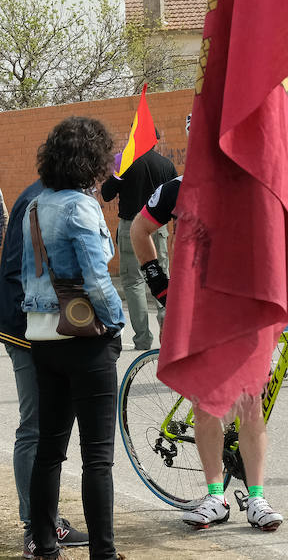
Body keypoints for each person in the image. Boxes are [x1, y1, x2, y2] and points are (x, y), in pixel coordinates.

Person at [129, 174, 288, 532]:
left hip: (247, 307)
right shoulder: (178, 187)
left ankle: (257, 498)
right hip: (200, 309)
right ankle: (215, 496)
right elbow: (139, 230)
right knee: (206, 404)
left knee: (250, 402)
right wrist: (161, 287)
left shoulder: (253, 180)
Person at [20, 117, 126, 560]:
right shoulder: (80, 207)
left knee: (50, 450)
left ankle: (44, 545)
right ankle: (103, 551)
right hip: (83, 337)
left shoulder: (35, 205)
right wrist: (117, 323)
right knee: (97, 456)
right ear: (92, 161)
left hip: (42, 338)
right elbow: (97, 280)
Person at [1, 179, 90, 559]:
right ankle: (34, 527)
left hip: (32, 323)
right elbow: (24, 270)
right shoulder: (45, 200)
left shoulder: (43, 194)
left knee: (43, 427)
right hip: (26, 325)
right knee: (35, 427)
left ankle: (42, 520)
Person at [100, 137, 177, 351]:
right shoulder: (166, 164)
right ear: (156, 141)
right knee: (162, 276)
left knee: (134, 283)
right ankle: (167, 325)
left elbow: (106, 194)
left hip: (131, 229)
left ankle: (143, 339)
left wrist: (116, 173)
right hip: (159, 228)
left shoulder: (125, 163)